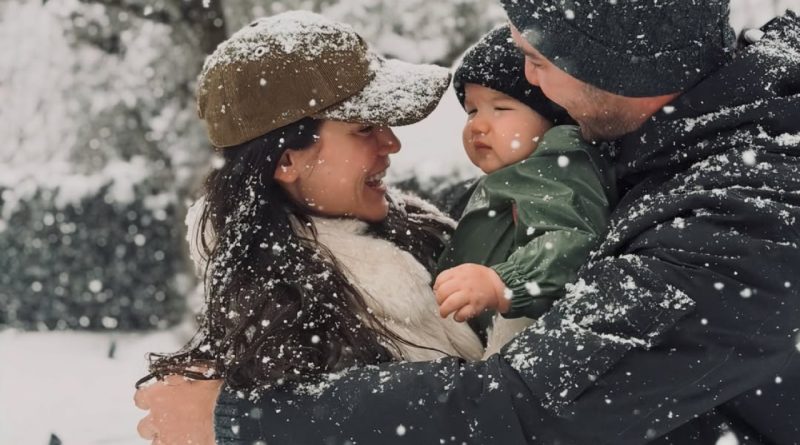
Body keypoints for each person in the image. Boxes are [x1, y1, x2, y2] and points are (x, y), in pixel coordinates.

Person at [139, 2, 800, 444]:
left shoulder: (739, 213)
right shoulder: (700, 141)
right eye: (367, 128)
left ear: (613, 64)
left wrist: (246, 418)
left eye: (537, 62)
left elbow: (535, 403)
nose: (527, 80)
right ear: (286, 159)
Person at [134, 10, 487, 443]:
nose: (391, 143)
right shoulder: (283, 321)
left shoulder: (422, 231)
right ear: (286, 161)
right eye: (364, 129)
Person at [433, 25, 616, 356]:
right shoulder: (514, 175)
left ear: (552, 117)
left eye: (500, 109)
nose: (478, 125)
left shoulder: (558, 162)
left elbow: (571, 239)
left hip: (527, 339)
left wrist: (503, 283)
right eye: (472, 110)